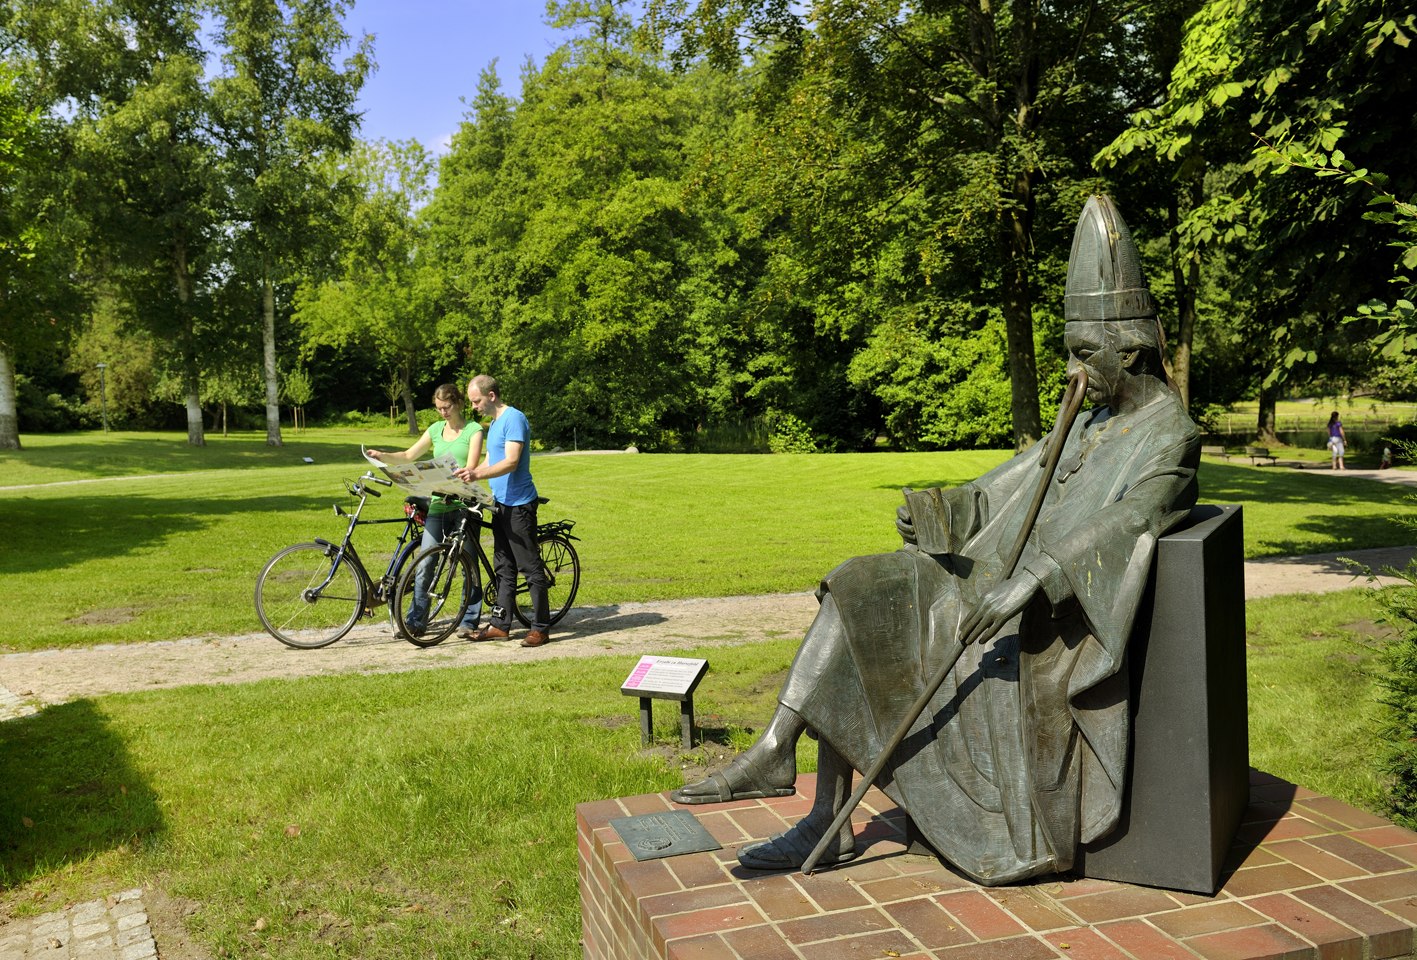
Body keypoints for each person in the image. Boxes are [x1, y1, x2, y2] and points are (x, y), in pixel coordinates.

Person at [671, 196, 1201, 885]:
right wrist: (940, 511)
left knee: (896, 626)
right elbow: (1009, 484)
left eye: (1081, 354)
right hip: (997, 579)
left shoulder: (1170, 435)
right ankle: (781, 756)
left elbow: (1132, 519)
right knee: (860, 583)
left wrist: (1030, 580)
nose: (1071, 371)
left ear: (1128, 350)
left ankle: (820, 810)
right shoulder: (1085, 416)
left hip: (1055, 616)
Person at [368, 383, 484, 638]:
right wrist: (383, 456)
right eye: (439, 408)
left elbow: (472, 468)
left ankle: (469, 621)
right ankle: (416, 621)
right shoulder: (434, 430)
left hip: (465, 505)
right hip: (439, 504)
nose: (443, 412)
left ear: (458, 404)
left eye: (447, 407)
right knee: (425, 562)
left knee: (469, 566)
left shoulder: (473, 431)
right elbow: (409, 455)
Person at [453, 375, 551, 647]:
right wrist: (470, 476)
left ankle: (540, 627)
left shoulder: (513, 419)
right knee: (503, 568)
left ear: (491, 396)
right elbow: (491, 460)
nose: (473, 406)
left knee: (530, 568)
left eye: (476, 401)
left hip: (519, 504)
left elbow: (511, 461)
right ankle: (500, 625)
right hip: (501, 503)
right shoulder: (495, 424)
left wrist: (477, 473)